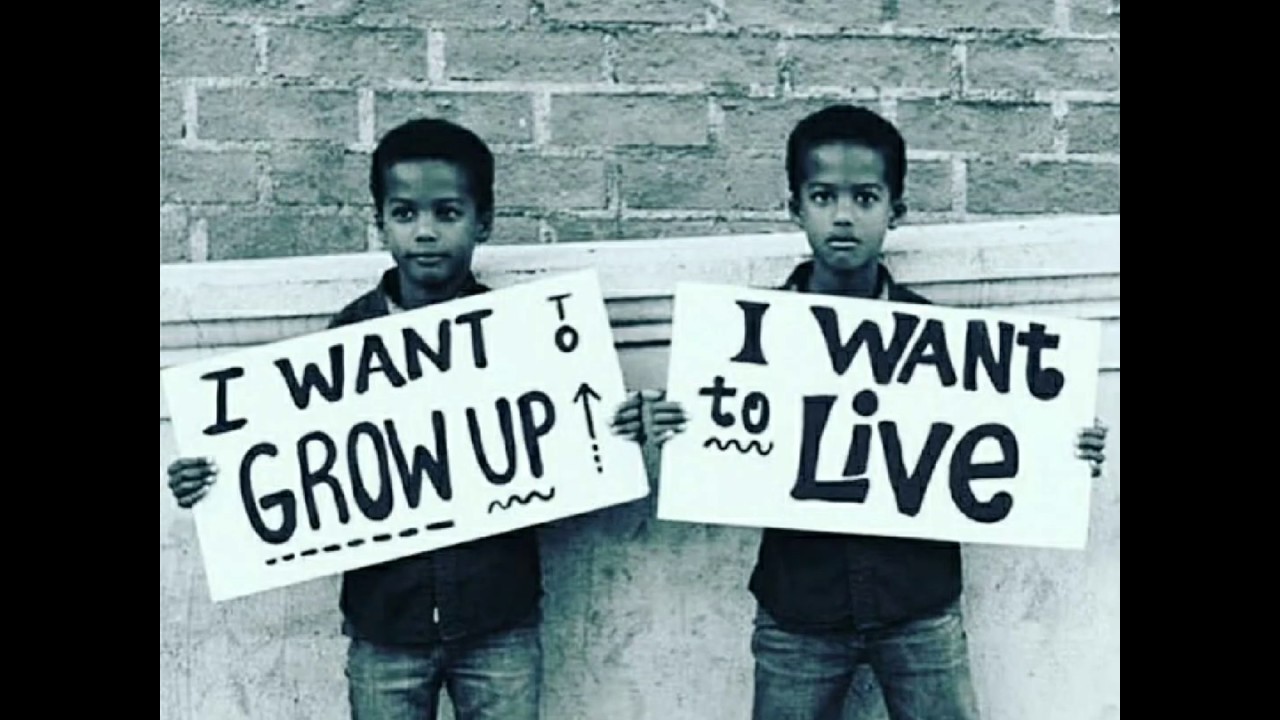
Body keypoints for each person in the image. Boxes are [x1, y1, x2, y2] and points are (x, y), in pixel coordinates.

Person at [621, 103, 1109, 720]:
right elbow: (719, 435)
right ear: (795, 208)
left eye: (866, 198)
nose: (844, 215)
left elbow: (1001, 434)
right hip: (800, 607)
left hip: (918, 604)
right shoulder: (744, 343)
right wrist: (668, 422)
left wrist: (1062, 444)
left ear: (895, 211)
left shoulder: (944, 344)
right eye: (823, 197)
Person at [167, 116, 641, 720]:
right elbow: (295, 458)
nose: (425, 231)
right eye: (405, 213)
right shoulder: (346, 339)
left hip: (497, 618)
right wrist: (213, 478)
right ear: (381, 223)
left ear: (484, 222)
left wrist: (617, 427)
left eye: (448, 213)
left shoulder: (525, 338)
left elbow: (568, 442)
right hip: (384, 625)